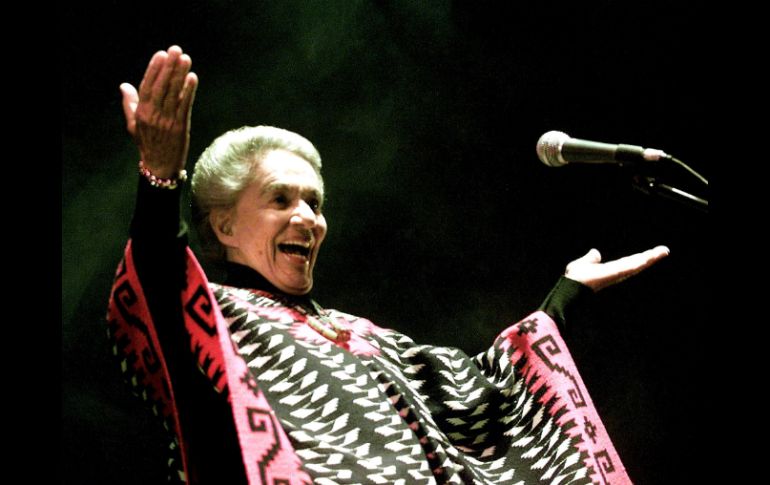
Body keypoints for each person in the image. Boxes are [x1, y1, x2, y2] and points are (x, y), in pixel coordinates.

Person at [108, 45, 669, 485]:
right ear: (224, 226)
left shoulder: (363, 336)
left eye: (315, 203)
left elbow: (480, 393)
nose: (308, 218)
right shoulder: (215, 319)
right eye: (280, 200)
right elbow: (159, 282)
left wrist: (563, 298)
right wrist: (160, 180)